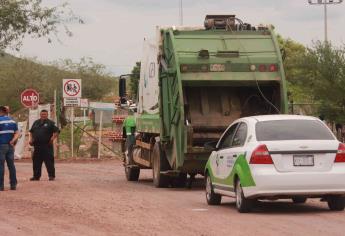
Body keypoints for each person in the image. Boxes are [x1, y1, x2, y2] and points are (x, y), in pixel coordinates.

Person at [29, 110, 59, 181]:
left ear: (47, 115)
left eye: (45, 114)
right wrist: (31, 140)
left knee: (49, 162)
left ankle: (51, 176)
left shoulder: (50, 123)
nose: (43, 115)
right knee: (36, 162)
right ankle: (36, 176)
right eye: (42, 114)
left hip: (47, 146)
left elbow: (57, 131)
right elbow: (31, 132)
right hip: (37, 146)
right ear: (40, 114)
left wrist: (52, 138)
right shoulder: (36, 122)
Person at [0, 106, 19, 190]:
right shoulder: (12, 121)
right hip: (10, 146)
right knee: (11, 165)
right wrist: (12, 141)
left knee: (1, 165)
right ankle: (13, 185)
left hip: (1, 145)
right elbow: (17, 133)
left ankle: (1, 186)